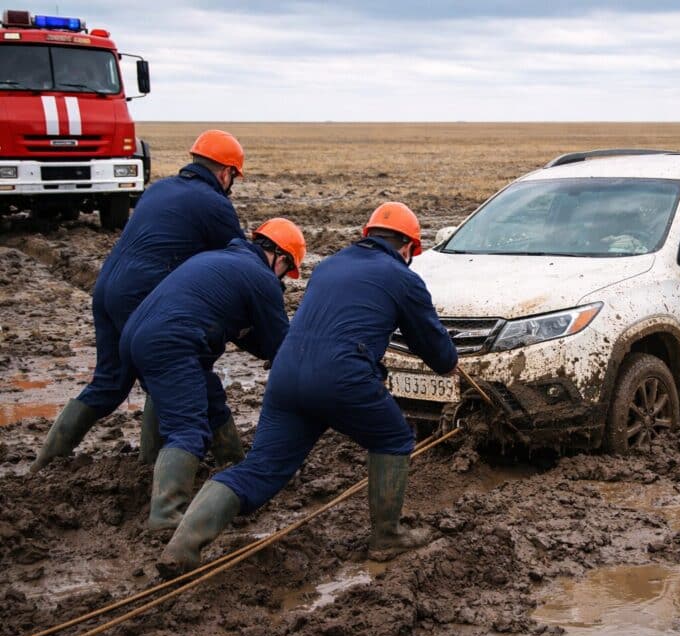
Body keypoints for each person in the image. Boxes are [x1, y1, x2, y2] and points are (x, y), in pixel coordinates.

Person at [157, 202, 458, 575]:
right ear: (409, 247)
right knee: (393, 438)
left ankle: (181, 548)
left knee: (261, 469)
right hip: (343, 377)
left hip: (287, 375)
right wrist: (451, 362)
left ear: (368, 235)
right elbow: (434, 348)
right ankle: (386, 537)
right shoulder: (404, 278)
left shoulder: (330, 265)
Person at [30, 130, 247, 475]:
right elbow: (239, 264)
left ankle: (44, 466)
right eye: (233, 177)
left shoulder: (158, 189)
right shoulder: (215, 205)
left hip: (106, 290)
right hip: (141, 297)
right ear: (226, 173)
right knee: (178, 373)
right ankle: (223, 459)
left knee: (109, 382)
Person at [121, 218, 305, 532]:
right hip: (171, 344)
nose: (284, 277)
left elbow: (248, 336)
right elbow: (282, 347)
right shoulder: (261, 279)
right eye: (286, 269)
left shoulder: (219, 260)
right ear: (278, 255)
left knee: (208, 395)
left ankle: (229, 463)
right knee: (189, 430)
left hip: (134, 336)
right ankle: (165, 517)